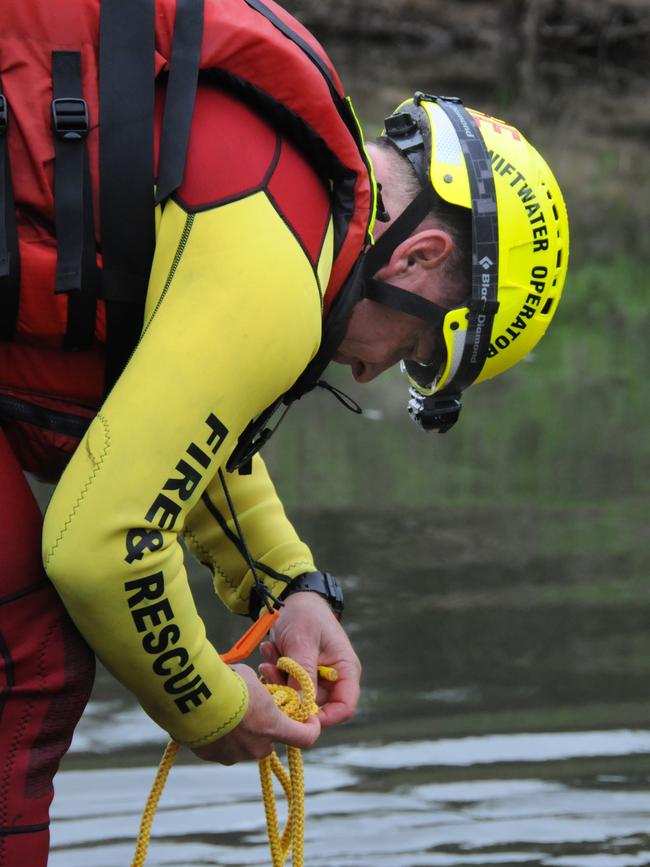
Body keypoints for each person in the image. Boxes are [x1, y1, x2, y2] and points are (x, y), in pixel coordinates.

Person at [0, 0, 569, 863]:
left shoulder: (280, 187)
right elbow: (104, 547)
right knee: (23, 659)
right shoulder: (277, 268)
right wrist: (211, 708)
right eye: (419, 344)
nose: (373, 371)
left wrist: (291, 586)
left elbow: (178, 420)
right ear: (415, 259)